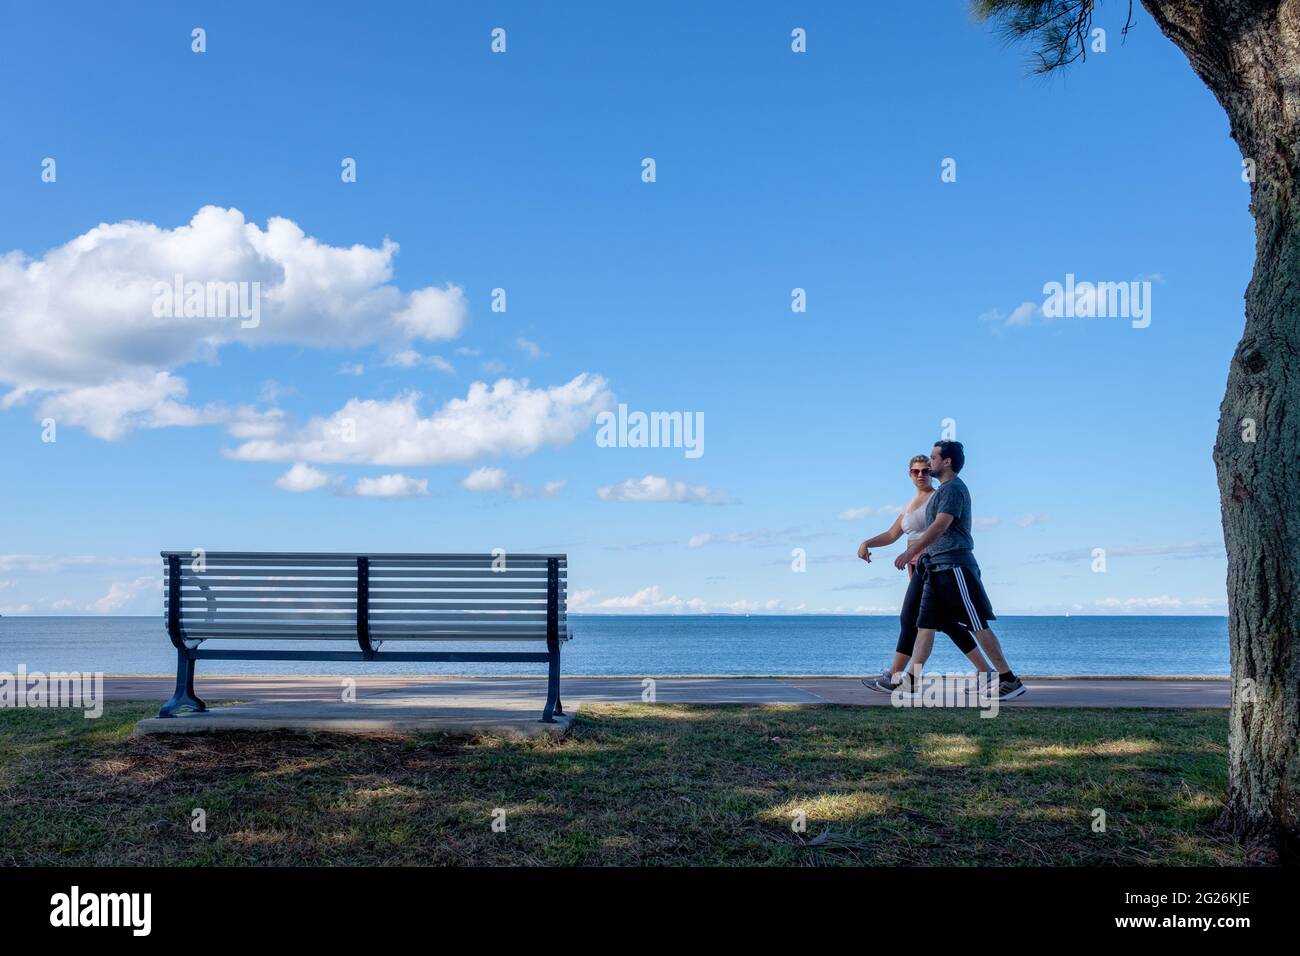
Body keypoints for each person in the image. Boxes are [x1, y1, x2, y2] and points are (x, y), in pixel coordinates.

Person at [892, 440, 1026, 700]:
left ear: (947, 462)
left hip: (955, 566)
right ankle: (910, 680)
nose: (929, 463)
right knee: (925, 625)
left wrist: (911, 551)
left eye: (933, 458)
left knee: (976, 623)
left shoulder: (953, 489)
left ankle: (1009, 679)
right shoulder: (942, 490)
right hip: (935, 568)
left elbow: (940, 526)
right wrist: (924, 558)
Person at [857, 455, 994, 693]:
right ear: (909, 473)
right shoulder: (910, 504)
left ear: (931, 471)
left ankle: (895, 675)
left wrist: (913, 551)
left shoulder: (937, 497)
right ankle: (986, 672)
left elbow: (939, 529)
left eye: (924, 470)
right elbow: (892, 535)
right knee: (944, 621)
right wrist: (866, 542)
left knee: (909, 617)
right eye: (915, 471)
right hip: (916, 565)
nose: (920, 475)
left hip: (931, 563)